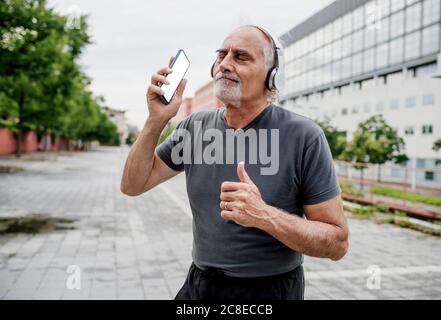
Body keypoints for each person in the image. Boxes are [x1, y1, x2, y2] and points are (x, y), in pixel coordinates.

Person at [120, 25, 349, 300]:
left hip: (269, 292)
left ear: (271, 75)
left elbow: (337, 243)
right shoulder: (194, 128)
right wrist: (155, 120)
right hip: (201, 286)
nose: (225, 64)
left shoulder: (304, 136)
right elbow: (133, 185)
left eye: (241, 57)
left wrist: (264, 215)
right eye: (221, 55)